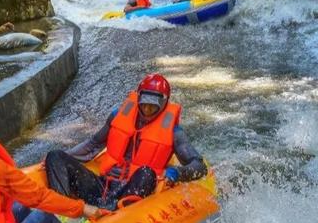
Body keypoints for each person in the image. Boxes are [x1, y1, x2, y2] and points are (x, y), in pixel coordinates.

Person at [44, 74, 207, 210]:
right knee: (55, 156)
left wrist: (177, 173)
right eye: (144, 105)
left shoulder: (174, 132)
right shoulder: (117, 116)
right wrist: (65, 158)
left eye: (153, 106)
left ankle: (113, 213)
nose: (147, 110)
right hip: (103, 186)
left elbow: (199, 166)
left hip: (133, 190)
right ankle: (61, 209)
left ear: (164, 103)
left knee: (146, 172)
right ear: (138, 98)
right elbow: (92, 145)